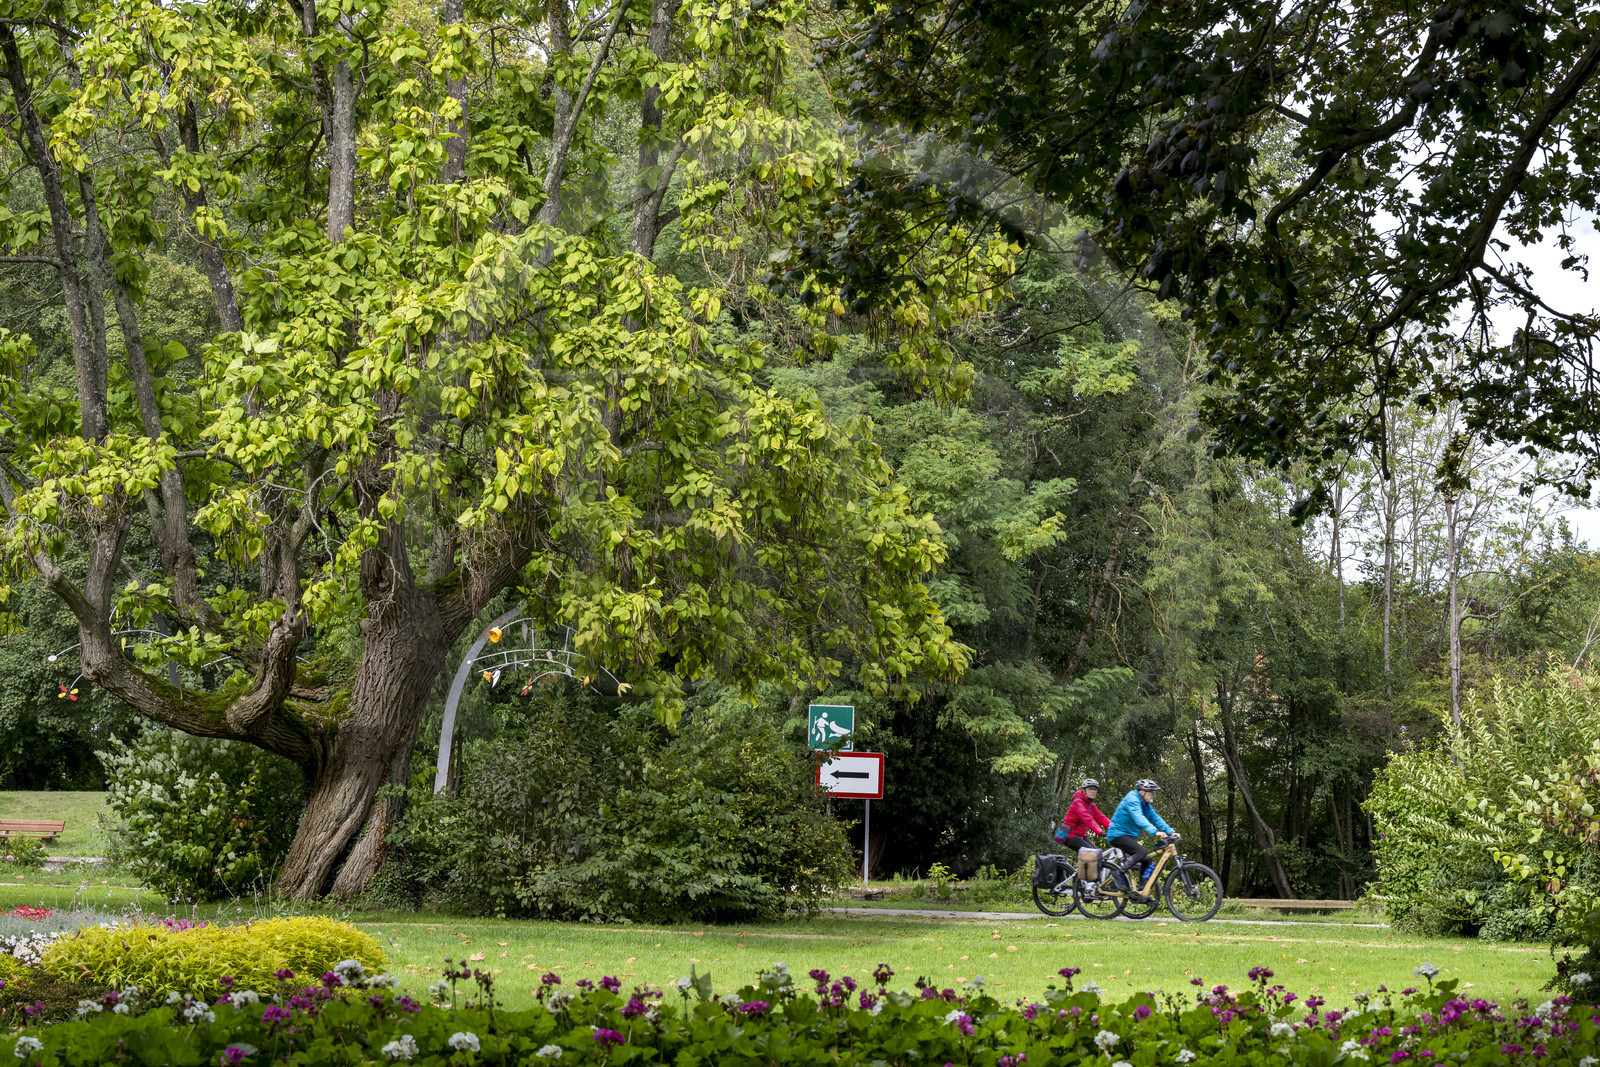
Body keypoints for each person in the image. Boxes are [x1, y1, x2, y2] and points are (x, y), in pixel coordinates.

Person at [1105, 778, 1175, 894]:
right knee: (1142, 852)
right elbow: (1139, 818)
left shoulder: (1145, 804)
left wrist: (1171, 832)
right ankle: (1118, 875)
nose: (1153, 794)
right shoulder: (1132, 799)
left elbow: (1156, 818)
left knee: (1147, 859)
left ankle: (1142, 891)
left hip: (1128, 835)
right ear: (1142, 792)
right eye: (1151, 792)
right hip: (1117, 834)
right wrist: (1155, 832)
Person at [1053, 778, 1111, 854]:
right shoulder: (1077, 802)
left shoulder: (1091, 806)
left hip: (1081, 836)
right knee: (1093, 854)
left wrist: (1114, 828)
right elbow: (1087, 819)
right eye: (1090, 789)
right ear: (1084, 790)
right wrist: (1100, 832)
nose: (1093, 792)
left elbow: (1101, 818)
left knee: (1098, 853)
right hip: (1070, 836)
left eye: (1095, 789)